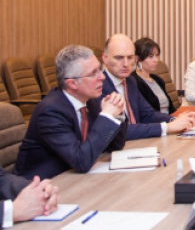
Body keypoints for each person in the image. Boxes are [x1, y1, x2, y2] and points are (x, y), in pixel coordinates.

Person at [13, 45, 128, 180]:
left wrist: (117, 114)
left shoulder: (89, 100)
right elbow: (81, 161)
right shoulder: (51, 112)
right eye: (93, 73)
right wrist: (106, 116)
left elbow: (115, 145)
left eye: (100, 69)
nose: (102, 76)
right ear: (72, 83)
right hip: (41, 183)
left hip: (73, 176)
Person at [101, 34, 195, 140]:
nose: (126, 63)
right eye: (119, 58)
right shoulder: (99, 86)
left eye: (130, 57)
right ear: (105, 58)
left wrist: (175, 120)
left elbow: (148, 114)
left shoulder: (130, 81)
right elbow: (116, 131)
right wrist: (167, 127)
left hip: (139, 143)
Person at [131, 37, 176, 114]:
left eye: (157, 55)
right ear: (137, 59)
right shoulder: (134, 81)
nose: (156, 60)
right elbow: (145, 113)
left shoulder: (158, 80)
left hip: (169, 118)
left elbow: (171, 108)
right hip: (156, 120)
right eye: (151, 56)